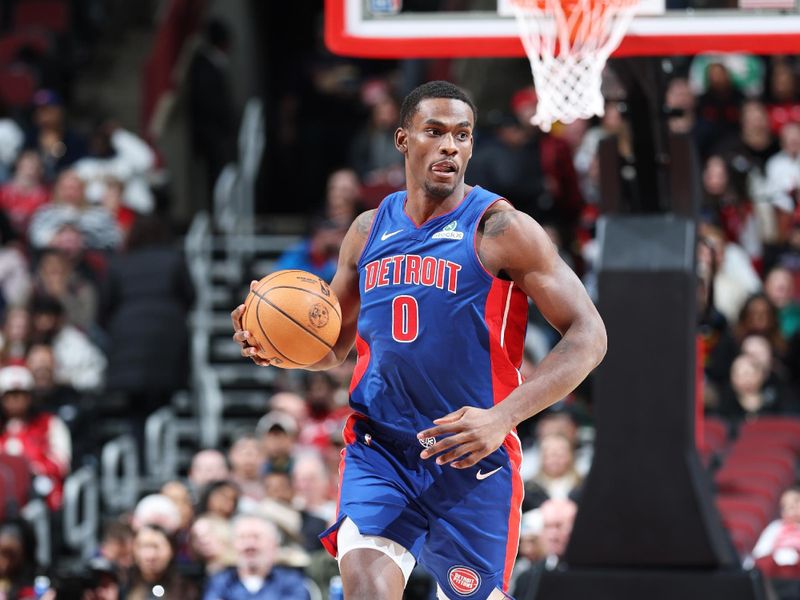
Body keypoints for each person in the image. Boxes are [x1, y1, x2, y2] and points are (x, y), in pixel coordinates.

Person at [232, 80, 606, 599]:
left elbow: (589, 336)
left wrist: (503, 417)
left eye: (463, 135)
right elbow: (332, 346)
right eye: (435, 131)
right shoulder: (367, 230)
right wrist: (275, 345)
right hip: (380, 446)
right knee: (364, 587)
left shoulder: (500, 229)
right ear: (403, 139)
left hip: (470, 453)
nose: (451, 145)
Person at [202, 513, 310, 600]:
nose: (249, 545)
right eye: (242, 537)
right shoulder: (220, 582)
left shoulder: (291, 581)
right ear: (233, 545)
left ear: (274, 545)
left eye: (256, 537)